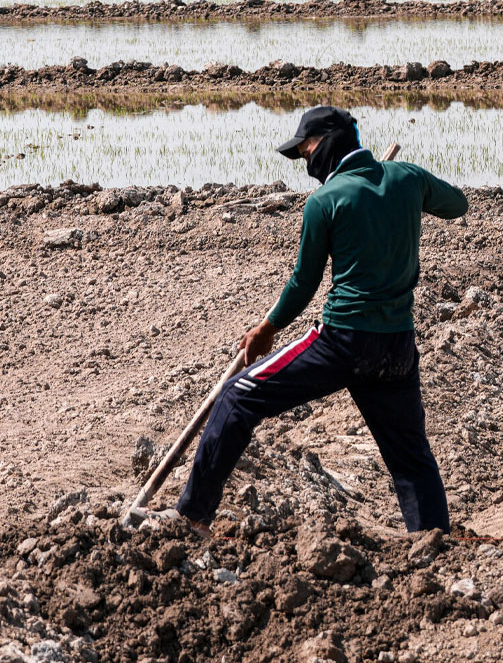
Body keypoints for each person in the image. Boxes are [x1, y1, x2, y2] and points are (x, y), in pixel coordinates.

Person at [174, 106, 468, 536]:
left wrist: (267, 328)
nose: (306, 162)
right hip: (397, 347)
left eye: (307, 150)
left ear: (329, 143)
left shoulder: (325, 201)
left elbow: (303, 283)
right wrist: (405, 187)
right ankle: (433, 541)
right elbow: (458, 205)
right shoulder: (407, 178)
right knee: (410, 456)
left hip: (343, 343)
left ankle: (192, 516)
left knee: (237, 396)